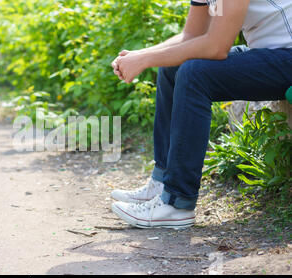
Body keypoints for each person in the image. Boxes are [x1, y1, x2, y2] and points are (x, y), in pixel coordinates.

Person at [110, 0, 292, 229]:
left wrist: (145, 60)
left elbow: (216, 47)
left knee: (195, 74)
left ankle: (177, 203)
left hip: (288, 58)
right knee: (172, 67)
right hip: (273, 55)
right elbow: (191, 35)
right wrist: (142, 54)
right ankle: (162, 181)